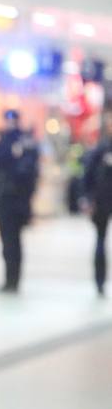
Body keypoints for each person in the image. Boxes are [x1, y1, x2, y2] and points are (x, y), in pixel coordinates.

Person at [0, 109, 39, 294]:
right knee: (6, 240)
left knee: (14, 241)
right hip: (2, 197)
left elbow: (29, 171)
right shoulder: (1, 138)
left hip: (18, 199)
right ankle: (8, 280)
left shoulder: (25, 141)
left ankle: (14, 280)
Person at [82, 112, 112, 297]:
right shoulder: (101, 149)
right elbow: (88, 176)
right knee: (100, 241)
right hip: (102, 202)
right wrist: (86, 198)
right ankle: (99, 282)